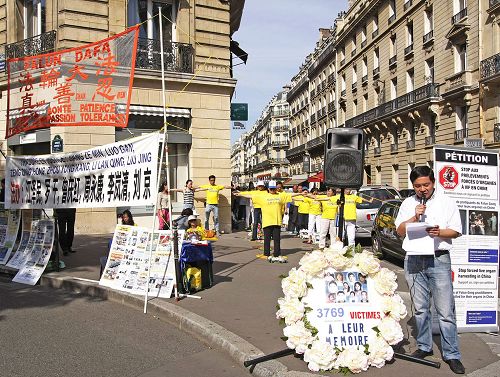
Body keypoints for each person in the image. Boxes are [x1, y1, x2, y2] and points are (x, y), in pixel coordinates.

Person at [395, 166, 464, 374]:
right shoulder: (408, 203)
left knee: (445, 311)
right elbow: (399, 230)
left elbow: (456, 231)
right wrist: (414, 219)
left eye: (426, 185)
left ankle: (452, 354)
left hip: (438, 258)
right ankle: (424, 347)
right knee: (421, 308)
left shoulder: (446, 202)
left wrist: (439, 232)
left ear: (433, 182)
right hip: (414, 260)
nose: (422, 189)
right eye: (417, 186)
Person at [236, 180, 301, 262]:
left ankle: (277, 253)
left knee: (277, 239)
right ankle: (266, 253)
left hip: (277, 221)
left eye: (274, 189)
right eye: (271, 189)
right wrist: (240, 194)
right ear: (268, 189)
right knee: (267, 239)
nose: (273, 190)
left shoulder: (280, 196)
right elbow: (251, 195)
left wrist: (301, 193)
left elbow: (291, 195)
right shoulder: (263, 196)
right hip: (267, 221)